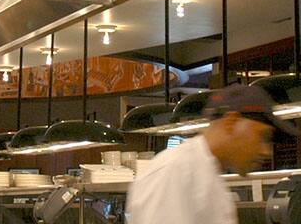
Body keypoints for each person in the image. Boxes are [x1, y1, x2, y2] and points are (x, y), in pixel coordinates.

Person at [126, 84, 299, 224]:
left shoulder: (208, 175)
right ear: (231, 123)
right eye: (262, 136)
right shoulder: (175, 171)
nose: (266, 151)